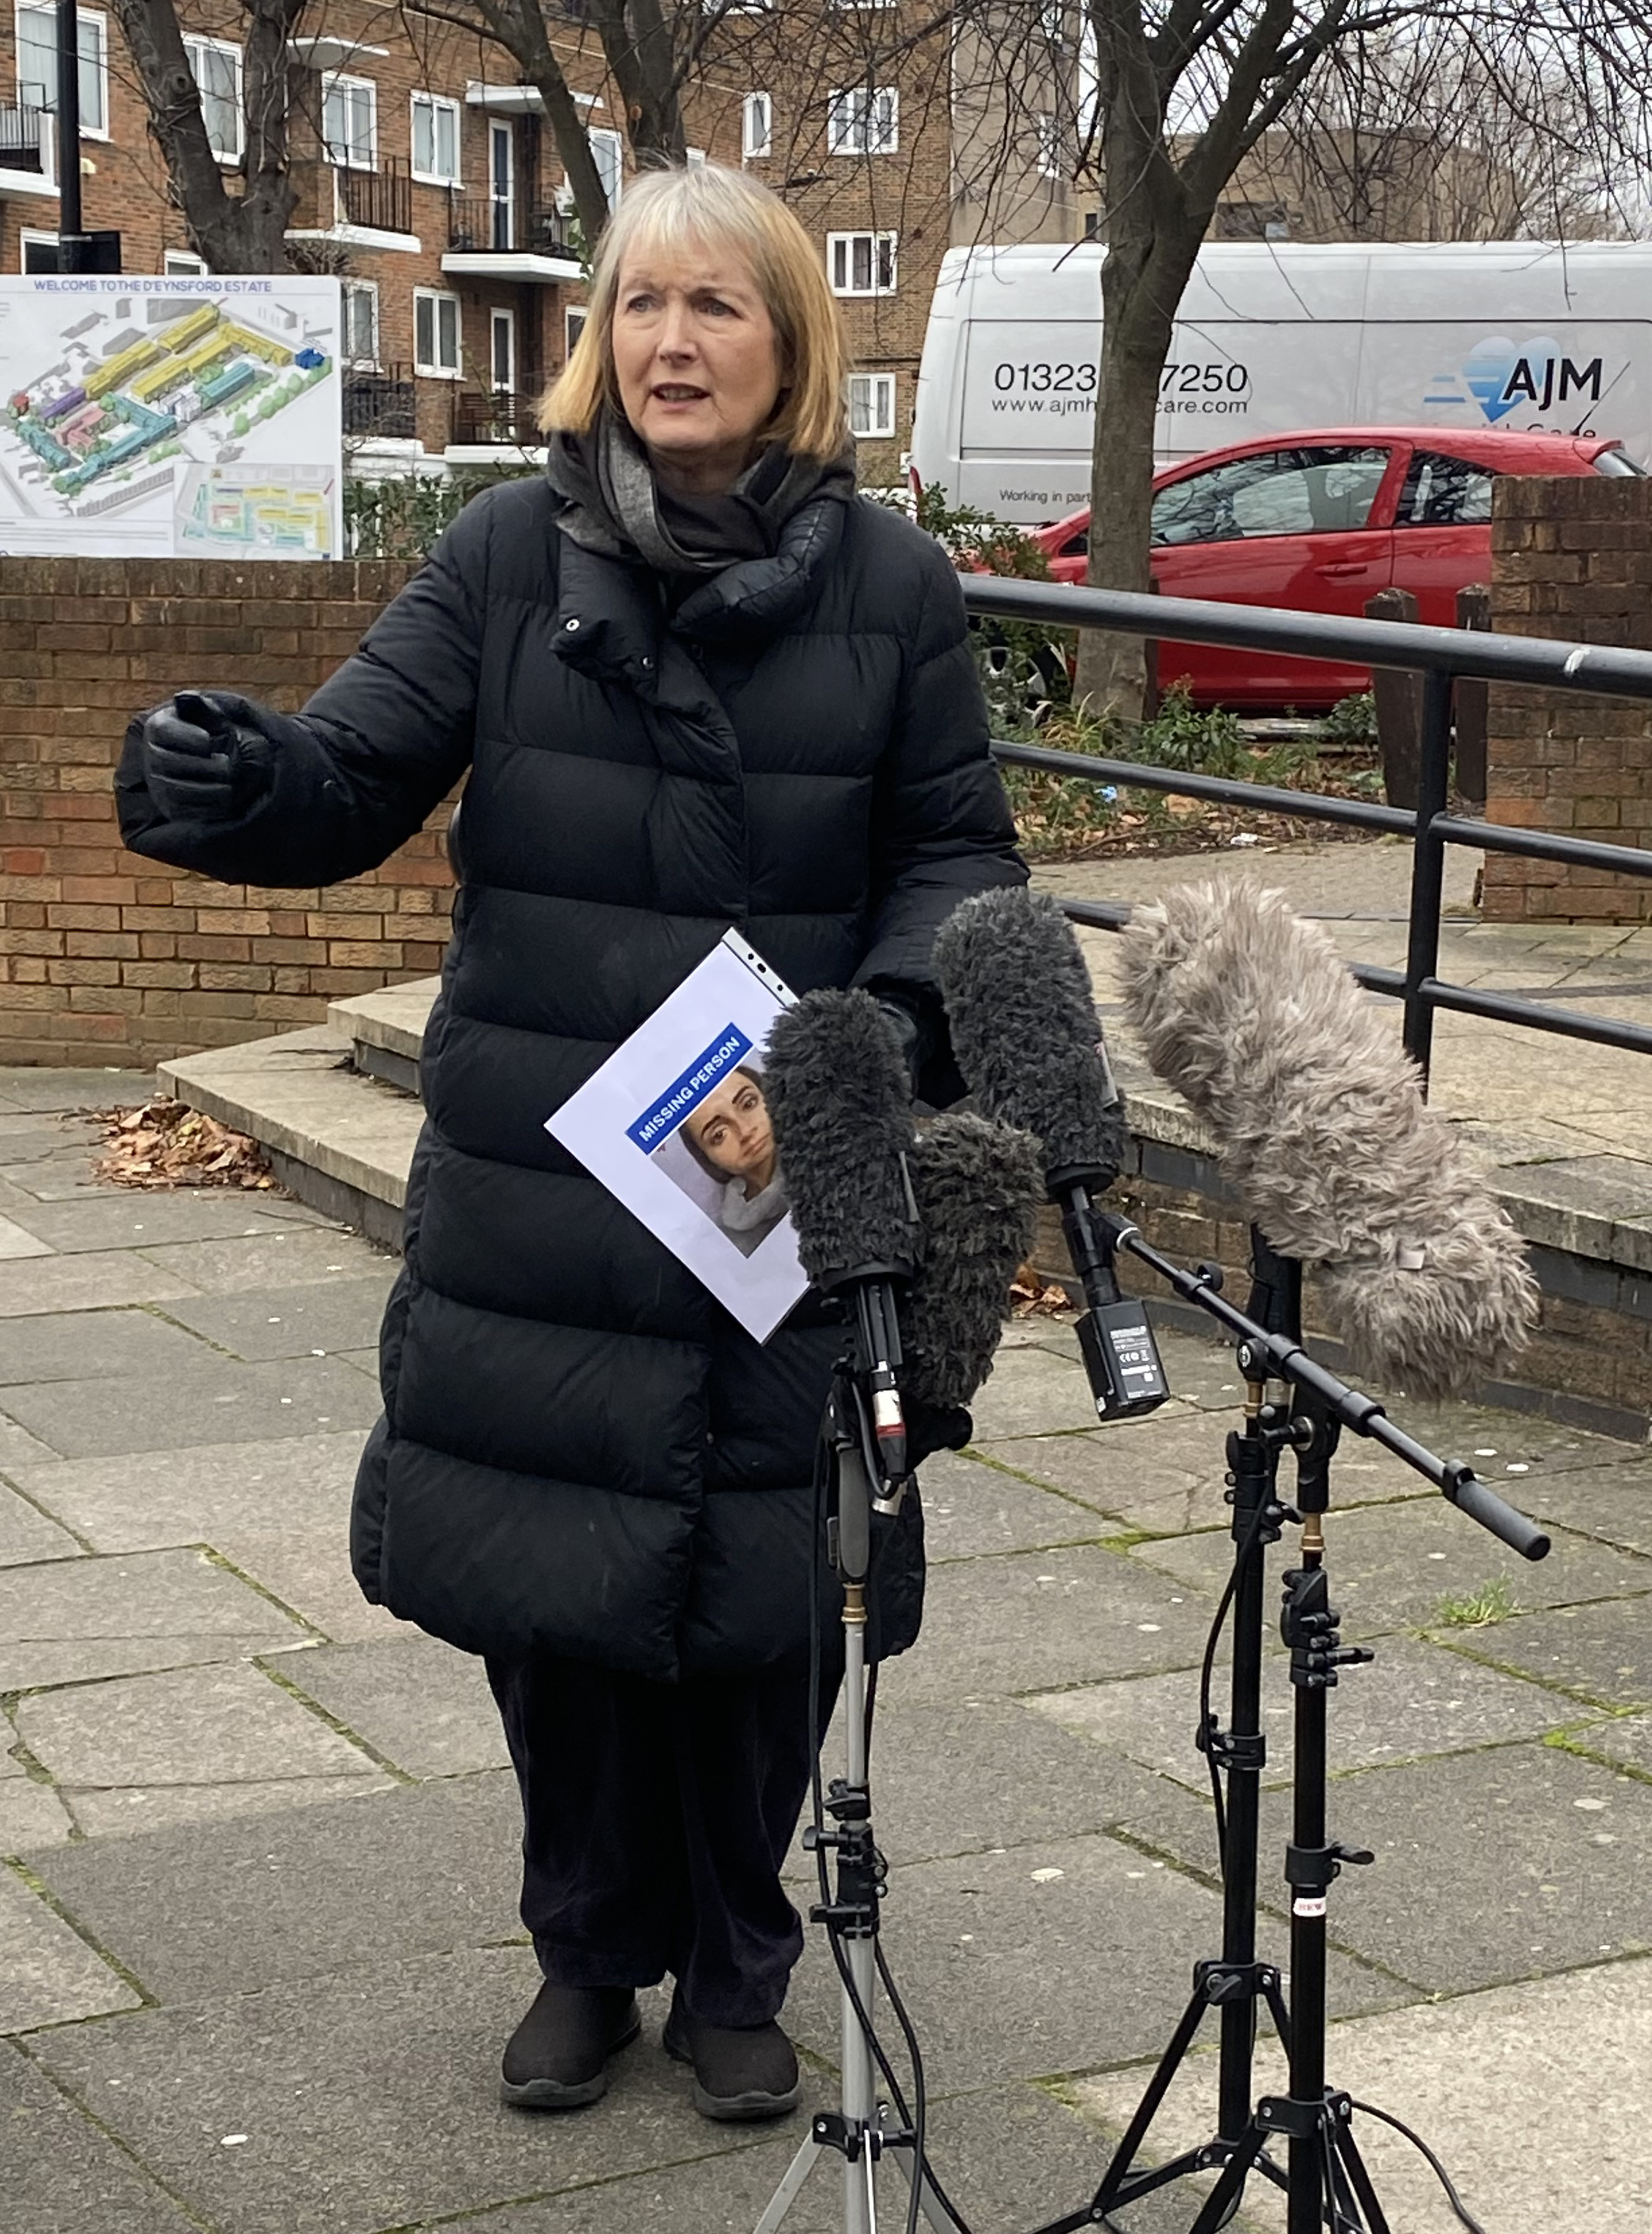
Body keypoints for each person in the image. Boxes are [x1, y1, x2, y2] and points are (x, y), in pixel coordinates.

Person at [115, 162, 1025, 2126]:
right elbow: (351, 769)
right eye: (635, 307)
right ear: (592, 342)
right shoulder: (503, 554)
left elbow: (954, 849)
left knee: (768, 1593)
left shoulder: (893, 583)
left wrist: (875, 1029)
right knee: (560, 1594)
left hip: (783, 1160)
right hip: (552, 1180)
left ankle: (733, 1959)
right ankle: (582, 1947)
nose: (668, 341)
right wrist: (236, 777)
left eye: (713, 307)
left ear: (788, 341)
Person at [680, 1065, 789, 1255]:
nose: (745, 1131)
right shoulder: (725, 1244)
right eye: (720, 1134)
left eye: (748, 1104)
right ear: (707, 1158)